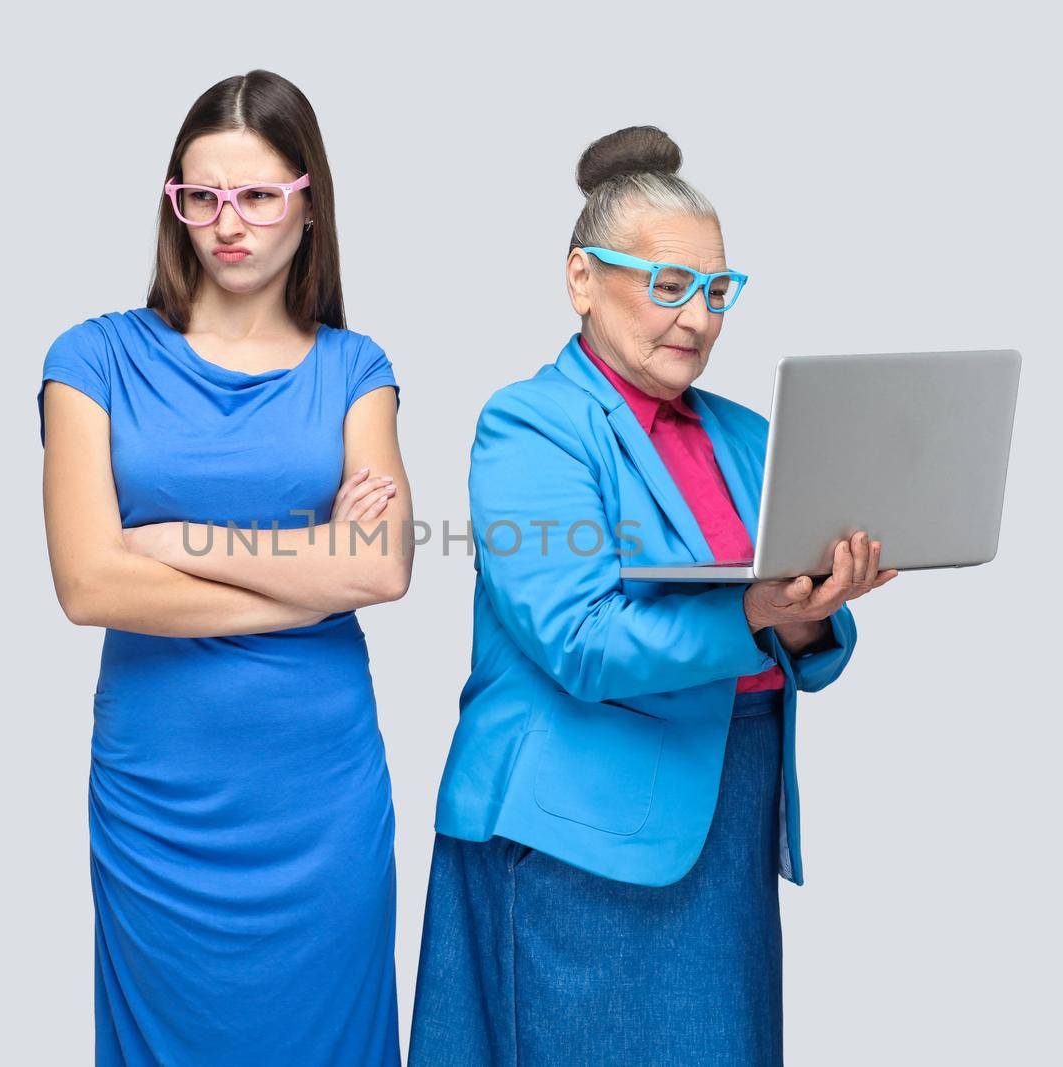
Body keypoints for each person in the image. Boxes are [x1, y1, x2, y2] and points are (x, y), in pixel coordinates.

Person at [407, 126, 896, 1066]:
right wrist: (753, 615)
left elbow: (800, 639)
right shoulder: (532, 426)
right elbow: (582, 640)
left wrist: (813, 608)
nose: (700, 318)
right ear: (582, 279)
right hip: (580, 839)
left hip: (726, 820)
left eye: (717, 291)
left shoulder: (750, 434)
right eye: (669, 286)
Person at [37, 70, 412, 1066]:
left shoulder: (354, 367)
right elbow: (89, 585)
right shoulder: (91, 357)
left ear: (307, 202)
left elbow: (380, 570)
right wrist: (306, 568)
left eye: (254, 196)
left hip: (318, 792)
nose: (225, 223)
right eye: (199, 197)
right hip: (161, 791)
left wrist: (175, 542)